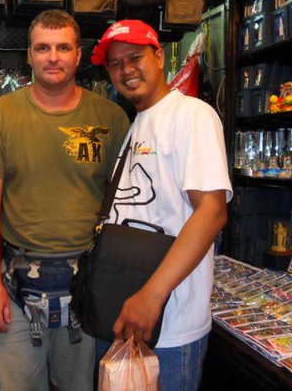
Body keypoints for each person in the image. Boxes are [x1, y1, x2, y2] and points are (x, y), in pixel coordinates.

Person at [0, 9, 130, 391]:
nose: (53, 57)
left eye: (63, 48)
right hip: (17, 285)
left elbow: (126, 205)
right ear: (29, 54)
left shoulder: (111, 118)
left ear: (79, 54)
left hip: (87, 286)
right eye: (43, 48)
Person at [90, 19, 232, 391]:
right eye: (115, 64)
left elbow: (212, 211)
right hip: (128, 318)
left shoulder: (192, 115)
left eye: (135, 57)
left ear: (159, 57)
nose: (126, 69)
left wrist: (152, 295)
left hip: (169, 326)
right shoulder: (138, 123)